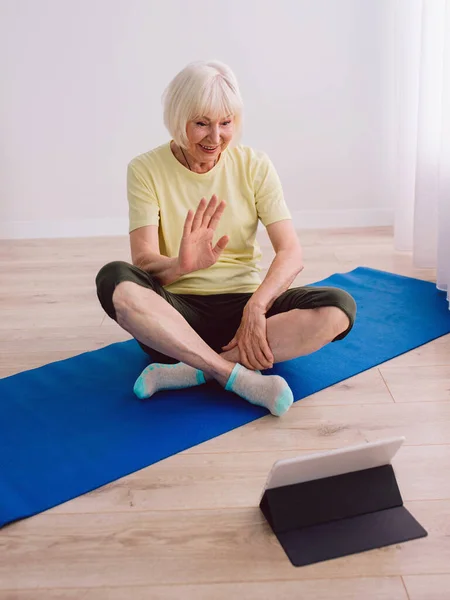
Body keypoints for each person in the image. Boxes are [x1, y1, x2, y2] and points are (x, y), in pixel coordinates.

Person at [96, 60, 356, 417]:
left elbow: (291, 252)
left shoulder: (255, 165)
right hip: (177, 318)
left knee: (337, 308)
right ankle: (237, 376)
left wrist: (257, 307)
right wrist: (182, 265)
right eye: (201, 123)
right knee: (114, 280)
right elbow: (142, 262)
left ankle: (193, 370)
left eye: (226, 123)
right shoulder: (145, 169)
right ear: (178, 118)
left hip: (244, 312)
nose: (215, 138)